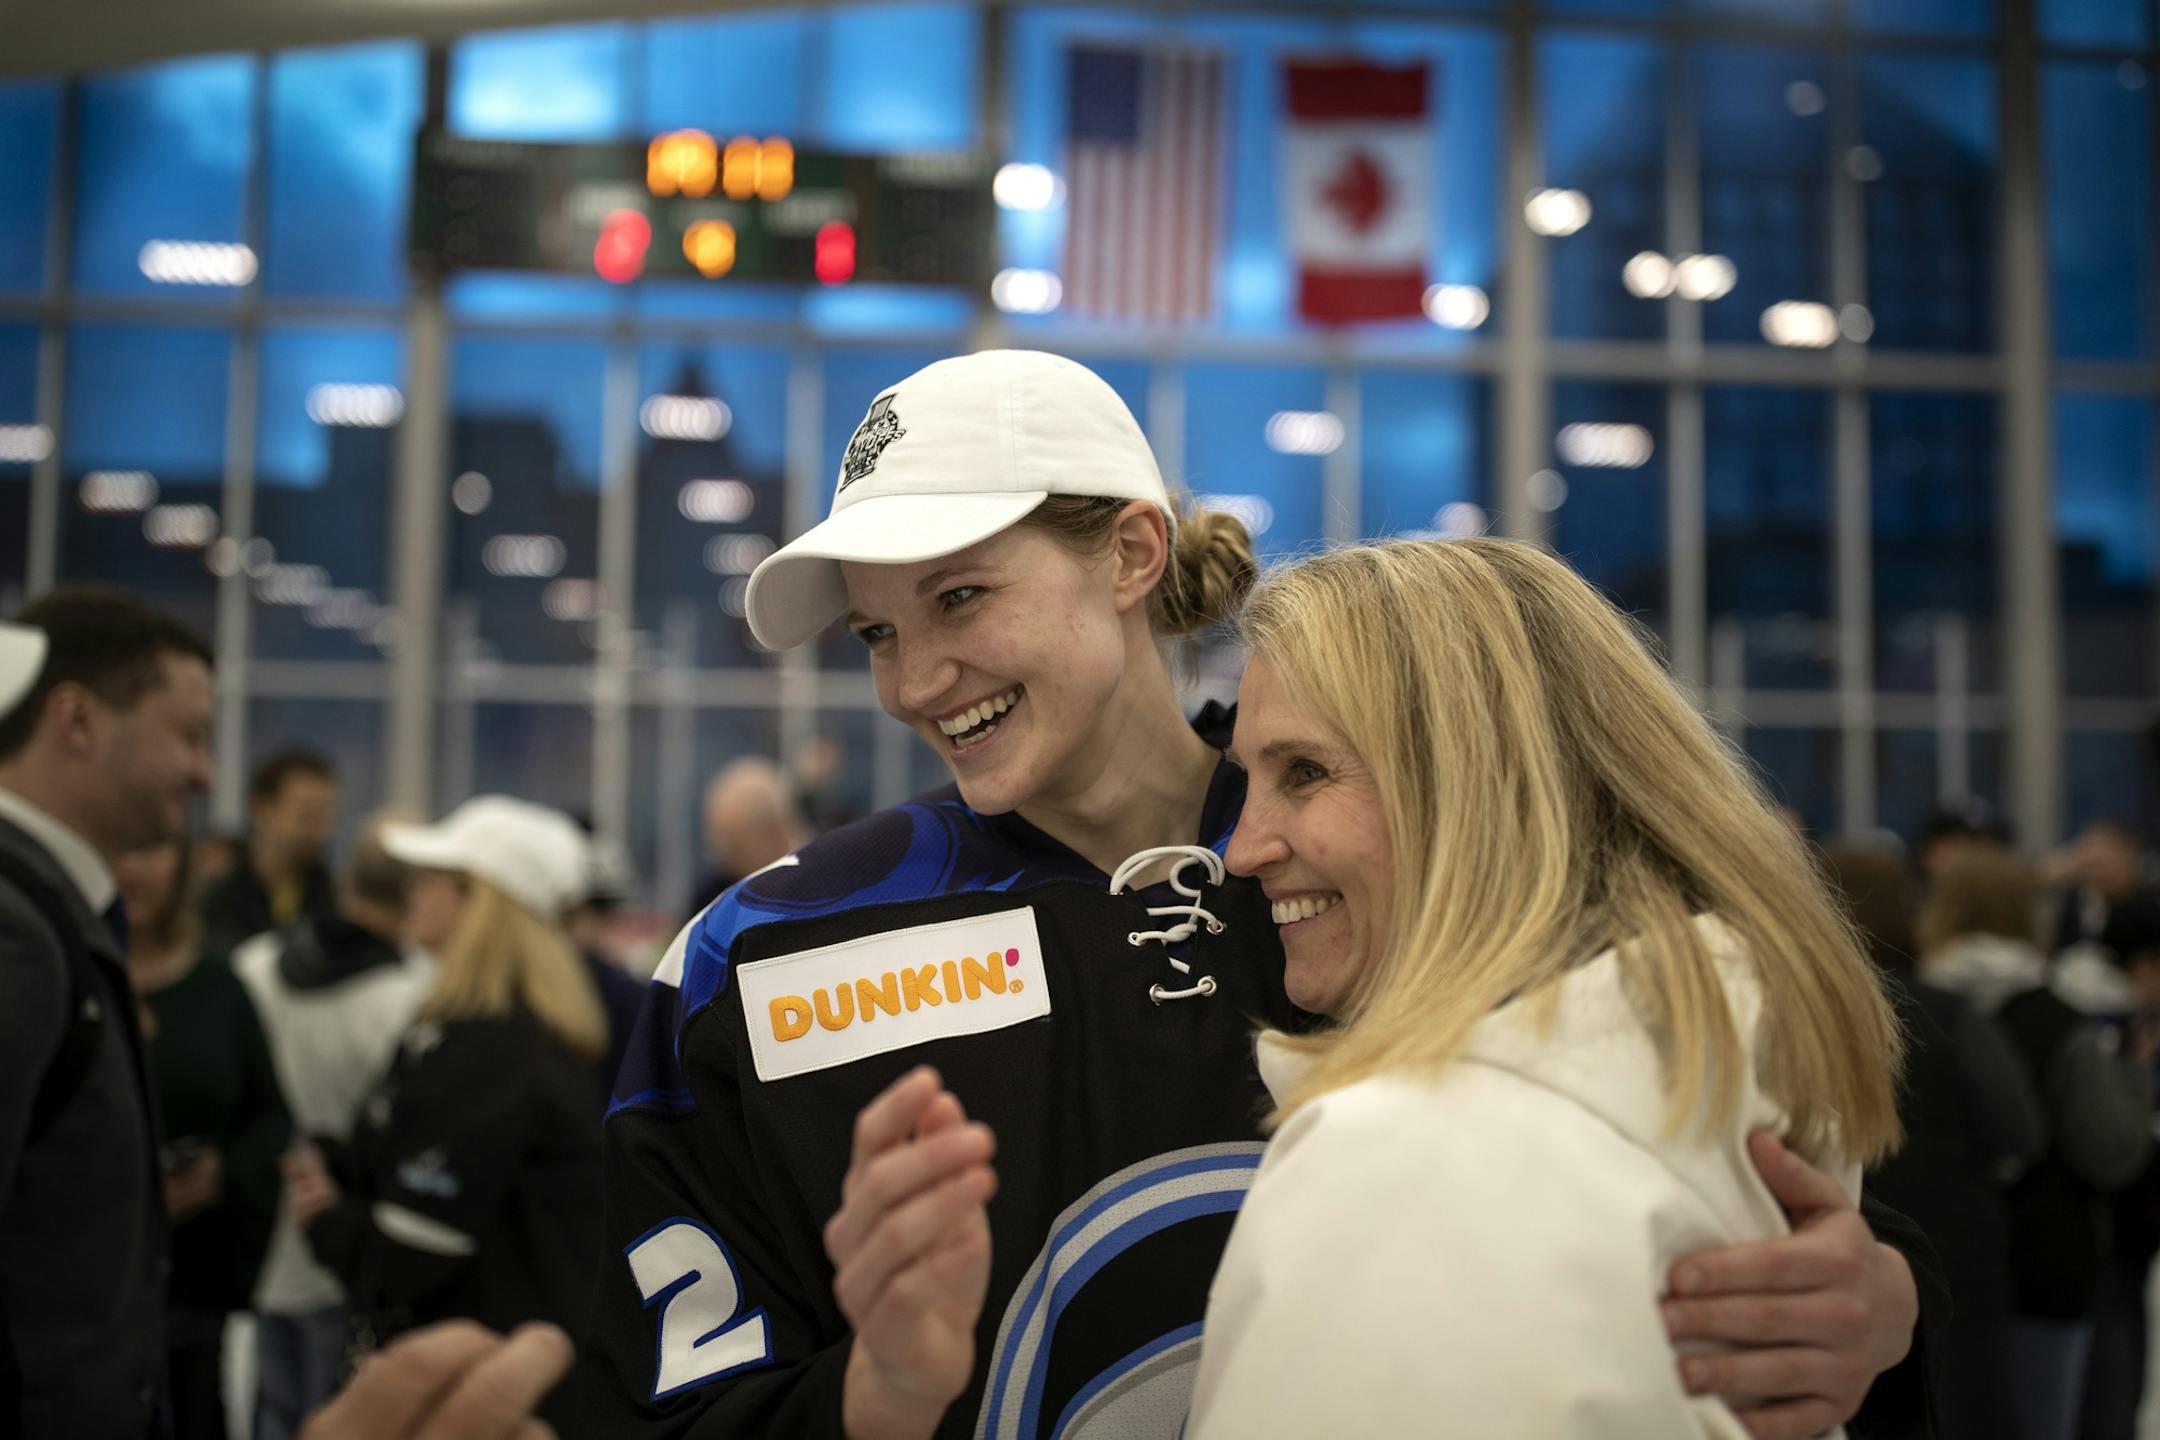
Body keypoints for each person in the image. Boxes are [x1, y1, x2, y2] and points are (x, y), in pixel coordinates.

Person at [565, 350, 1931, 1439]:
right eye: (878, 632)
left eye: (962, 597)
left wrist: (1880, 1299)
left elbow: (1740, 1166)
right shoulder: (763, 960)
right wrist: (873, 1403)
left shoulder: (1416, 863)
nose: (918, 681)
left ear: (1131, 556)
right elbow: (664, 1401)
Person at [282, 795, 604, 1429]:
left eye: (432, 879)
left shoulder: (492, 1049)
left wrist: (324, 1220)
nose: (413, 891)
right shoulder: (477, 1035)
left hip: (488, 1398)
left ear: (478, 903)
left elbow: (413, 1255)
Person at [0, 592, 214, 1438]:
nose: (204, 775)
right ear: (77, 720)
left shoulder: (52, 917)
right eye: (189, 736)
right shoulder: (16, 928)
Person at [1918, 845, 2155, 1440]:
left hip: (1924, 1266)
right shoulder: (2062, 1019)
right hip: (2045, 1267)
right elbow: (2110, 1152)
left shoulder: (1902, 1009)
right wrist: (2133, 1076)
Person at [1822, 839, 2046, 1440]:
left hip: (1840, 1257)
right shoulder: (1944, 1011)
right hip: (1955, 1255)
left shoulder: (1794, 1011)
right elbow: (2017, 1129)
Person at [234, 813, 439, 1440]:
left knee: (270, 1412)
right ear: (414, 892)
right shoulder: (414, 997)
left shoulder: (255, 966)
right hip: (354, 1245)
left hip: (266, 1229)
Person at [117, 834, 292, 1440]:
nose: (134, 868)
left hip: (192, 1273)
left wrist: (221, 1174)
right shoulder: (61, 970)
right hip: (80, 1274)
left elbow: (271, 1117)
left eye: (151, 849)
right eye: (119, 846)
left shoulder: (218, 985)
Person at [199, 748, 338, 959]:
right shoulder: (217, 903)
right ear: (261, 809)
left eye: (326, 817)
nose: (320, 832)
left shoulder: (332, 902)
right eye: (306, 815)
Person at [681, 757, 810, 923]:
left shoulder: (814, 892)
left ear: (774, 833)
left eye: (732, 846)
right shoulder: (712, 899)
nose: (721, 860)